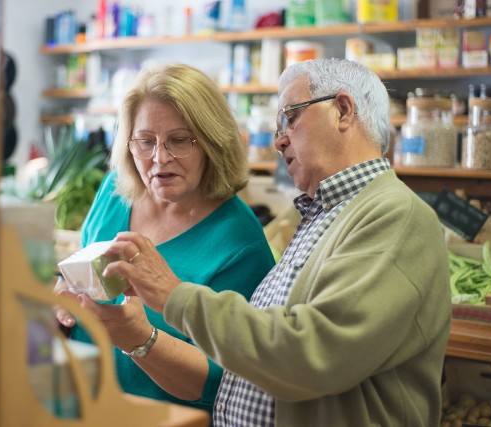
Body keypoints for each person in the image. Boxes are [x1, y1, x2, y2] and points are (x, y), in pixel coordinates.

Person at [101, 58, 452, 426]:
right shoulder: (330, 213)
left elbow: (312, 355)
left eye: (290, 117)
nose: (279, 138)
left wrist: (173, 295)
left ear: (343, 111)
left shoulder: (395, 216)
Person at [54, 63, 275, 416]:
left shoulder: (240, 242)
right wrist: (61, 295)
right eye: (145, 141)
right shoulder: (114, 193)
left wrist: (140, 341)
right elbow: (79, 276)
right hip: (77, 403)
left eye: (178, 140)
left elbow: (227, 382)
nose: (159, 158)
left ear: (212, 142)